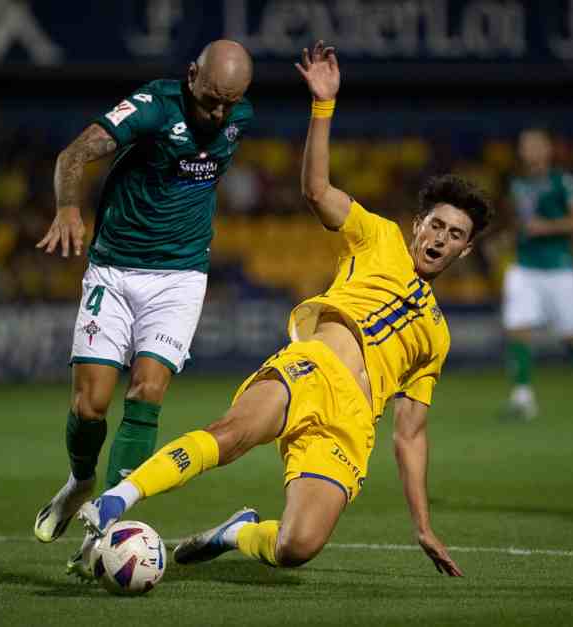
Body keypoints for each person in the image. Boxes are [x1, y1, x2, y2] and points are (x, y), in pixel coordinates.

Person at [74, 41, 492, 577]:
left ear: (465, 250)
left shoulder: (437, 337)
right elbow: (316, 190)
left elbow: (409, 433)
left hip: (351, 425)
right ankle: (117, 500)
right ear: (418, 225)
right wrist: (324, 106)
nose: (440, 238)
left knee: (298, 546)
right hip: (311, 369)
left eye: (454, 234)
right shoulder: (378, 238)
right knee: (231, 435)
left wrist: (423, 524)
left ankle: (235, 533)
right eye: (435, 224)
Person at [33, 40, 255, 549]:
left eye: (230, 103)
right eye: (210, 100)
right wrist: (69, 208)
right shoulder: (154, 106)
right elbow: (75, 153)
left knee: (147, 391)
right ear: (191, 73)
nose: (219, 114)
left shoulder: (239, 113)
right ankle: (80, 481)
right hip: (113, 271)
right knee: (90, 406)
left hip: (179, 278)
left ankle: (107, 523)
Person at [501, 128, 573, 420]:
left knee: (570, 335)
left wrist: (545, 227)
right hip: (524, 267)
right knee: (517, 328)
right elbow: (519, 223)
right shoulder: (517, 184)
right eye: (525, 146)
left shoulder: (562, 181)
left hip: (559, 268)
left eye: (535, 145)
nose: (529, 150)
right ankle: (523, 398)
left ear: (548, 149)